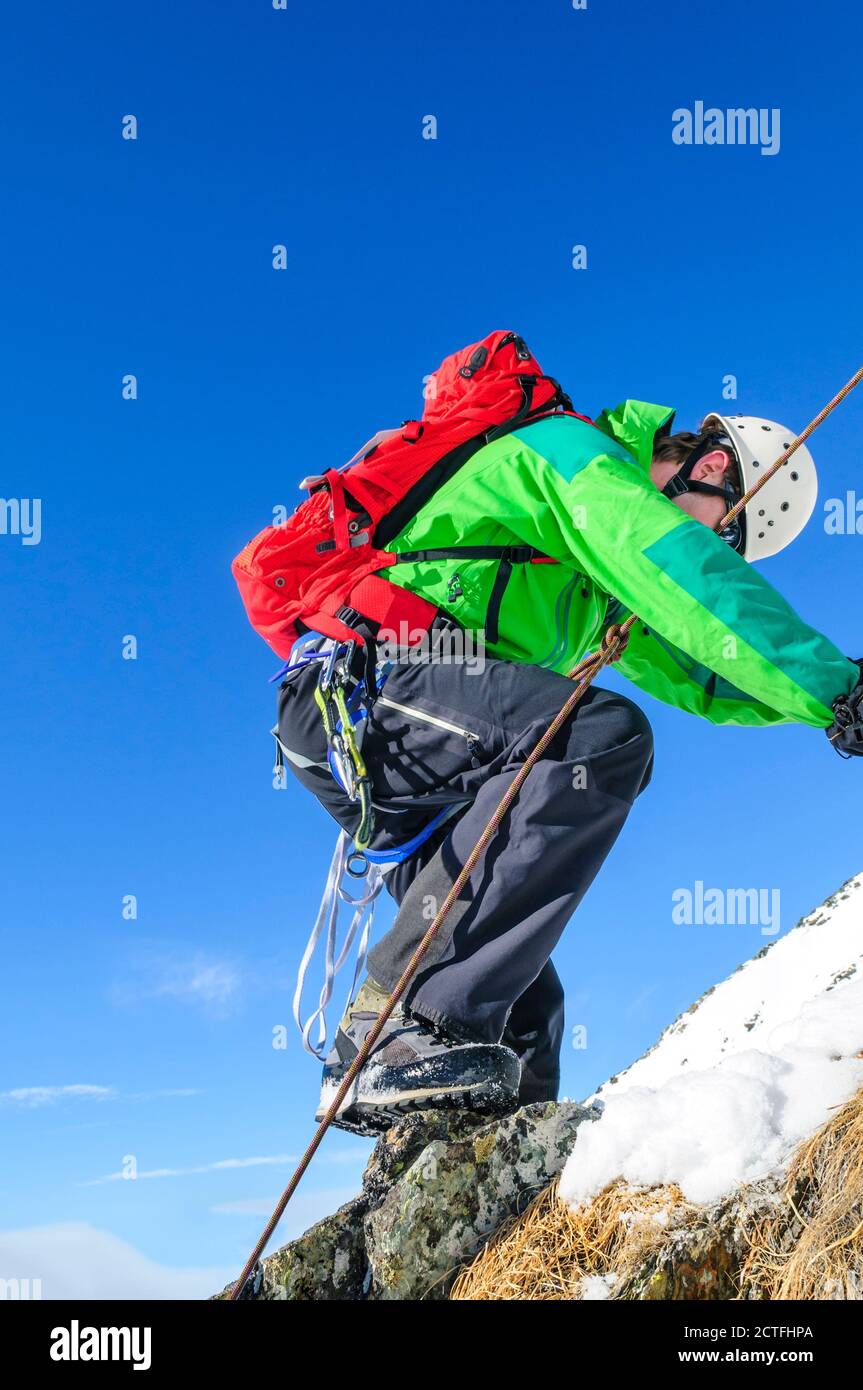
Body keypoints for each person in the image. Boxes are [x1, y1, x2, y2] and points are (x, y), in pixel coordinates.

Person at [274, 399, 863, 1134]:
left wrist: (834, 694)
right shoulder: (573, 458)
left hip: (398, 725)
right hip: (371, 687)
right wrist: (837, 689)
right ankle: (387, 1033)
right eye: (725, 534)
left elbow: (702, 670)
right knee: (596, 736)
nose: (715, 547)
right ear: (713, 469)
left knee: (520, 1008)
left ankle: (459, 1165)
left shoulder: (595, 578)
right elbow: (685, 575)